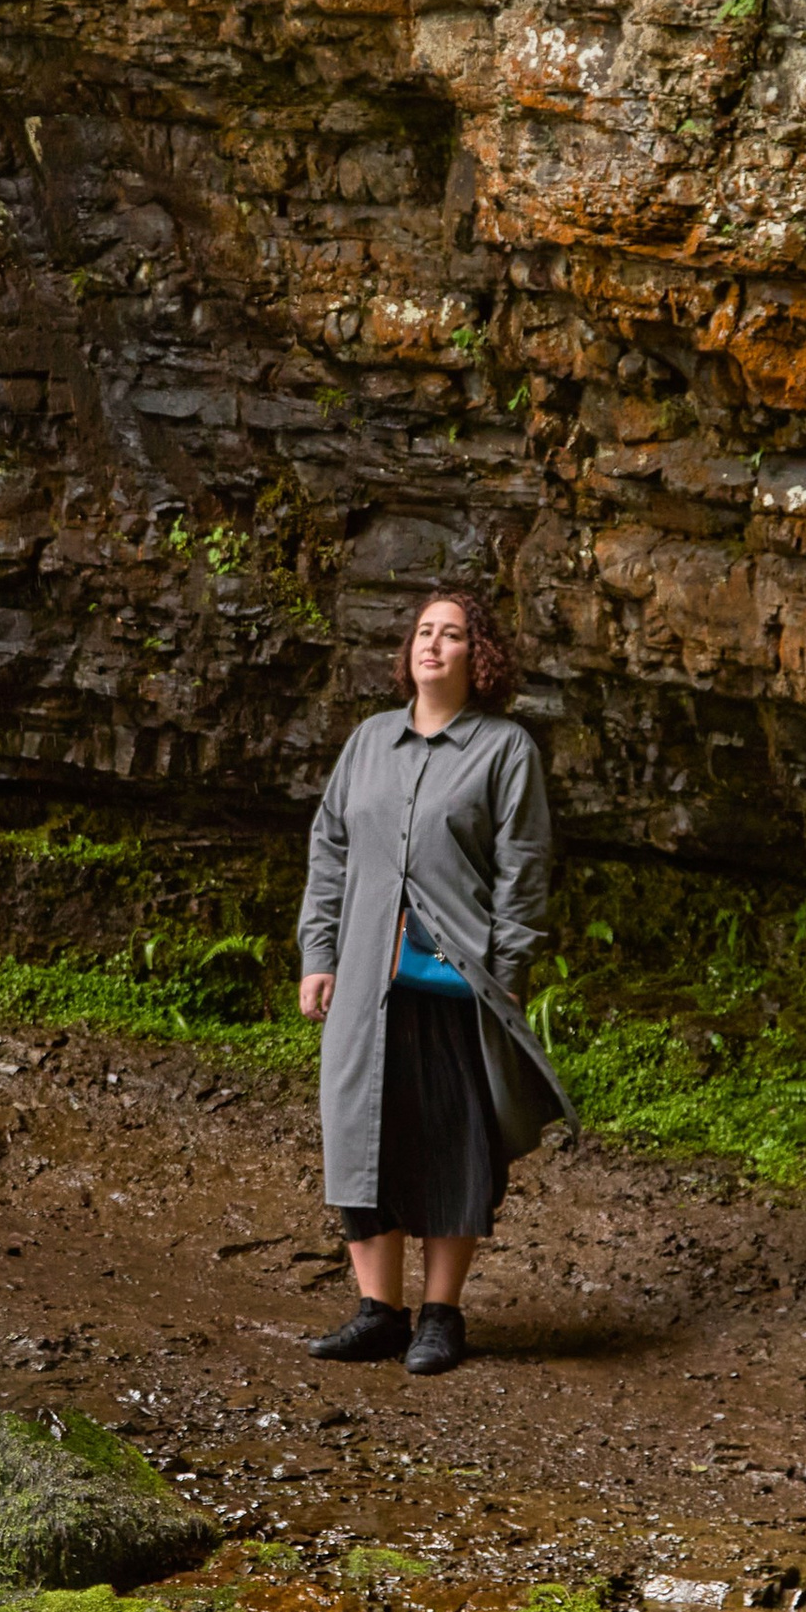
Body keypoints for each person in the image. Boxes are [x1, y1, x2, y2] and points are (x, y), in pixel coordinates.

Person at [295, 588, 578, 1377]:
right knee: (360, 1130)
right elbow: (330, 849)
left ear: (475, 656)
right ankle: (379, 1312)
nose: (432, 644)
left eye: (451, 634)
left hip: (455, 983)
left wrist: (509, 969)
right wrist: (319, 953)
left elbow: (523, 868)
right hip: (366, 980)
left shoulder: (505, 750)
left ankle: (441, 1315)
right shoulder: (369, 741)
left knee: (454, 1138)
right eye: (424, 630)